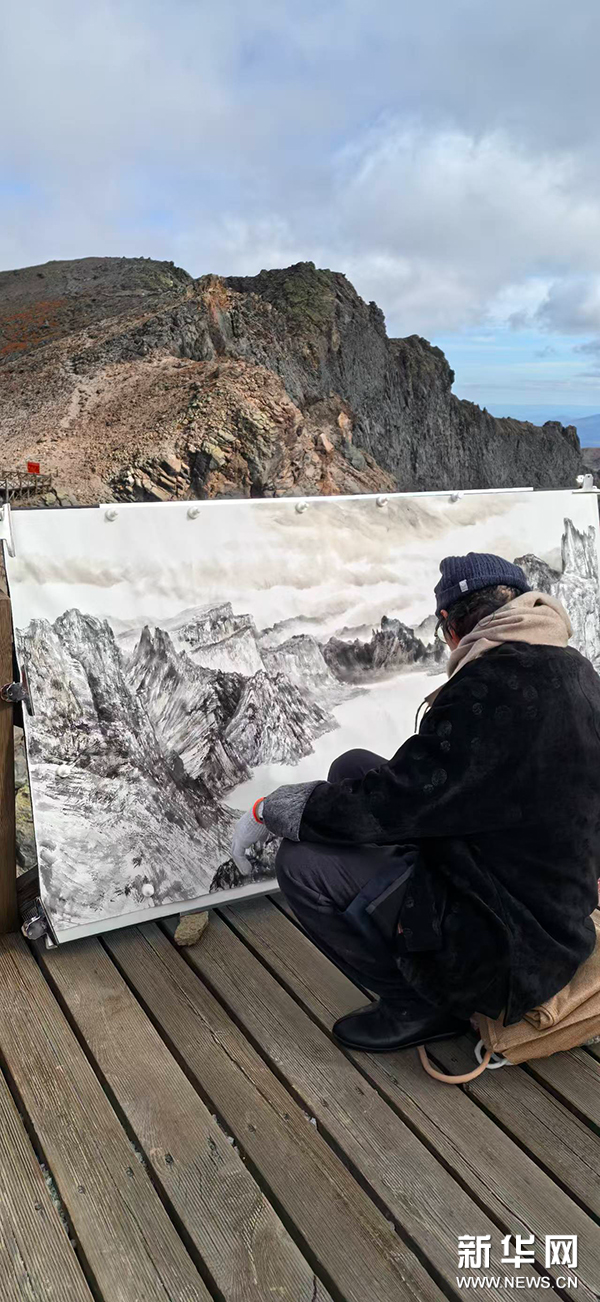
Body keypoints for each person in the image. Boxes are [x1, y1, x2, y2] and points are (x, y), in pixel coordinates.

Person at [231, 552, 600, 1052]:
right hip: (553, 904)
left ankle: (421, 1005)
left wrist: (274, 808)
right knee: (353, 765)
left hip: (510, 942)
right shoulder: (575, 669)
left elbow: (392, 803)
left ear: (449, 623)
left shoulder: (487, 688)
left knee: (300, 864)